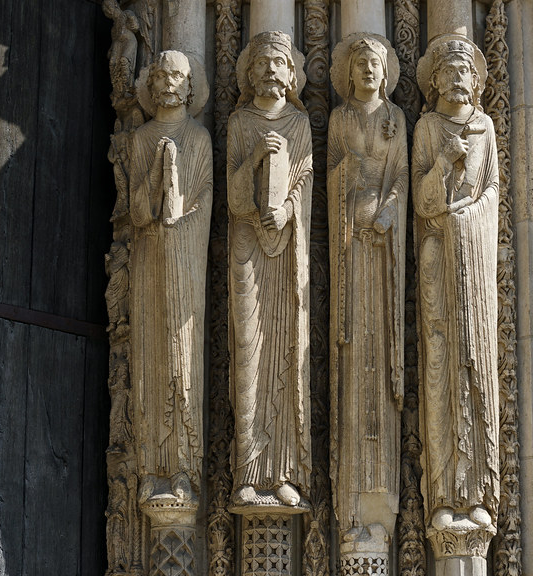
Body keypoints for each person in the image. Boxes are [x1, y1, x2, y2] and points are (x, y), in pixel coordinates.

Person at [411, 34, 499, 535]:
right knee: (440, 365)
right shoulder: (426, 129)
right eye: (450, 70)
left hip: (474, 262)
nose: (459, 78)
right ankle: (444, 491)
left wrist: (466, 218)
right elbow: (421, 202)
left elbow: (492, 193)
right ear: (436, 80)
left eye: (466, 70)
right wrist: (445, 161)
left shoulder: (485, 127)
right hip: (438, 260)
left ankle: (479, 491)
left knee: (476, 363)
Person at [118, 50, 213, 506]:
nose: (169, 83)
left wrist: (180, 222)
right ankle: (150, 467)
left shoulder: (199, 138)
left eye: (178, 76)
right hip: (149, 259)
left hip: (185, 261)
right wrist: (156, 176)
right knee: (150, 359)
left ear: (190, 87)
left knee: (180, 358)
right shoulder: (141, 139)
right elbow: (136, 211)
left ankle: (182, 469)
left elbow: (204, 201)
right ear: (151, 84)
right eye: (162, 76)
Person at [327, 33, 407, 553]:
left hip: (383, 254)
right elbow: (332, 173)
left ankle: (380, 500)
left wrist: (388, 209)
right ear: (350, 73)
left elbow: (401, 177)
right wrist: (349, 176)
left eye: (375, 63)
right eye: (360, 64)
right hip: (350, 255)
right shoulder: (339, 120)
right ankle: (353, 501)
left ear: (385, 72)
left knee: (380, 361)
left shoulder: (396, 120)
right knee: (354, 360)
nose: (368, 70)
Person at [226, 30, 313, 510]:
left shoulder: (300, 125)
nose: (269, 69)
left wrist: (288, 212)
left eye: (278, 62)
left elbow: (304, 185)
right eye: (260, 62)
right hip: (248, 248)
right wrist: (256, 157)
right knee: (249, 355)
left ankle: (281, 471)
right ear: (249, 73)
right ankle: (246, 471)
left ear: (291, 74)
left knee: (285, 351)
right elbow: (234, 195)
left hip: (286, 248)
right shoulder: (240, 124)